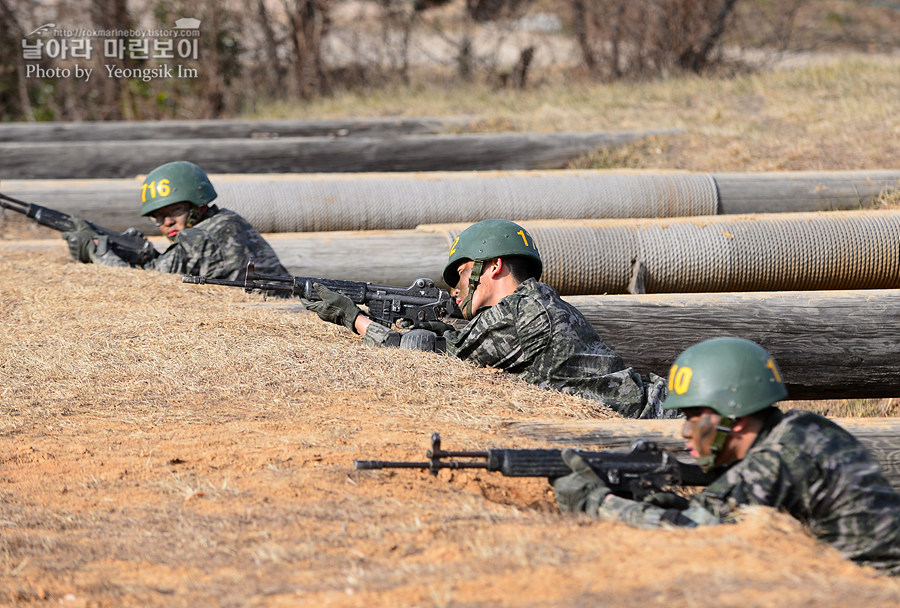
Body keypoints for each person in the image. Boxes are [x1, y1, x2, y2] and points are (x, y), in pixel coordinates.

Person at [553, 336, 900, 575]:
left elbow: (693, 538)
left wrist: (599, 504)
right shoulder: (802, 430)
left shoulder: (779, 457)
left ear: (734, 415)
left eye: (694, 416)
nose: (686, 431)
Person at [304, 218, 671, 419]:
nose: (455, 289)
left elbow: (435, 360)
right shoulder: (536, 302)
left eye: (462, 273)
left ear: (493, 266)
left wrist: (354, 319)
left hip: (656, 420)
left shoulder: (521, 313)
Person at [61, 160, 289, 279]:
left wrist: (98, 254)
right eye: (158, 218)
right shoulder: (226, 220)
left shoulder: (200, 237)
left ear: (197, 204)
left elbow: (149, 284)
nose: (167, 222)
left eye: (174, 211)